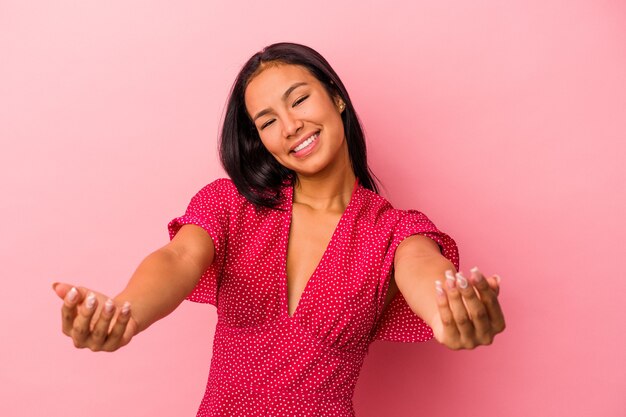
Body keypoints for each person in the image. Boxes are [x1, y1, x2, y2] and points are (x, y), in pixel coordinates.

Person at [53, 42, 505, 416]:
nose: (290, 126)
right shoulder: (231, 205)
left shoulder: (393, 233)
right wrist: (124, 311)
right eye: (267, 121)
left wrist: (450, 314)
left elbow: (423, 267)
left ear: (336, 96)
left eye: (299, 99)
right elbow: (178, 258)